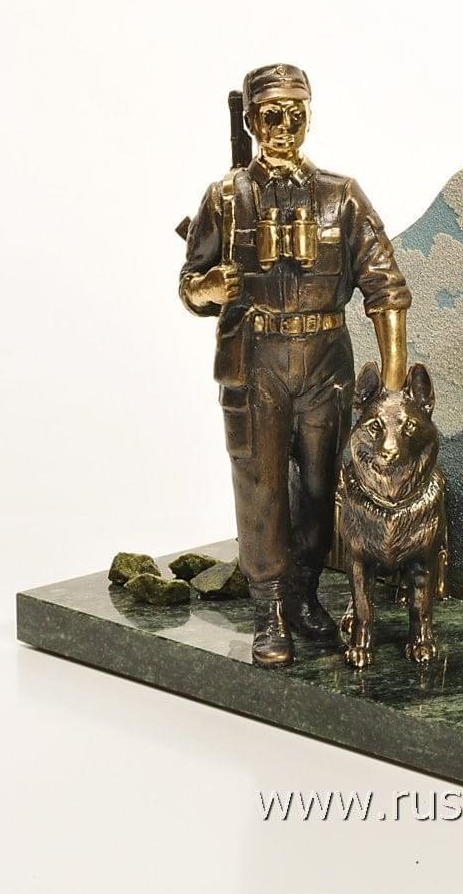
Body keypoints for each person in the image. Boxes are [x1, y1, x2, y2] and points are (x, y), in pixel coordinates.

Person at [179, 63, 411, 668]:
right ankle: (269, 611)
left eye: (295, 114)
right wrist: (210, 286)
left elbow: (386, 287)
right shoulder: (225, 198)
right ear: (250, 121)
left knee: (319, 485)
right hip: (255, 360)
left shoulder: (342, 195)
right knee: (258, 486)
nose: (284, 126)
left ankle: (305, 594)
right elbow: (188, 284)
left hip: (326, 361)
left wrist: (392, 387)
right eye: (270, 115)